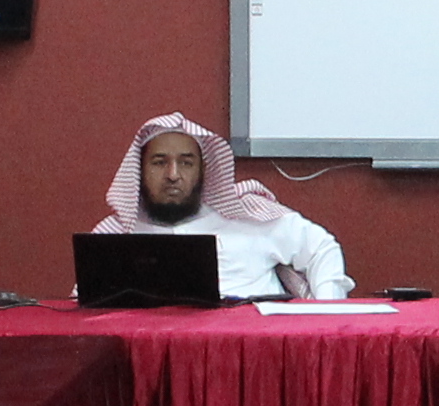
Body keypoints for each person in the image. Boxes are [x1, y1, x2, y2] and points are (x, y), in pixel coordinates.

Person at [108, 116, 352, 301]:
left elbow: (321, 248)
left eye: (185, 163)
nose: (173, 175)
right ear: (140, 170)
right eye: (160, 163)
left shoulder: (251, 215)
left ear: (204, 170)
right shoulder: (116, 235)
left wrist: (327, 314)